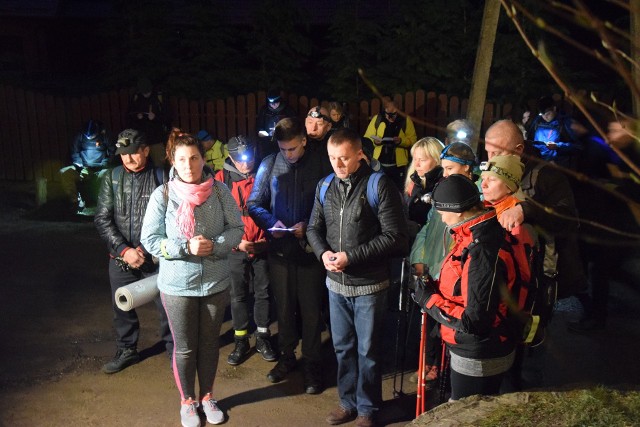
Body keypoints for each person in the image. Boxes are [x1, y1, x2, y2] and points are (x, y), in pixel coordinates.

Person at [141, 129, 244, 427]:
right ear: (174, 161)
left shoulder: (220, 191)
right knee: (184, 346)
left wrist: (217, 245)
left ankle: (207, 395)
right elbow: (149, 238)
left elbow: (236, 229)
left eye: (194, 158)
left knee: (210, 344)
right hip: (176, 286)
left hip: (215, 282)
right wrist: (185, 248)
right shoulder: (163, 195)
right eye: (183, 159)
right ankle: (188, 401)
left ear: (203, 159)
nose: (189, 166)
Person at [306, 128, 408, 427]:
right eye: (332, 158)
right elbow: (313, 227)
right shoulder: (325, 185)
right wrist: (322, 253)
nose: (338, 165)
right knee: (343, 347)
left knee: (368, 351)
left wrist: (352, 257)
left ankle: (368, 409)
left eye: (344, 158)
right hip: (335, 285)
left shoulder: (379, 186)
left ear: (360, 154)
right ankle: (347, 402)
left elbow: (395, 237)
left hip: (370, 286)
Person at [412, 174, 520, 401]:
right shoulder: (477, 232)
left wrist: (428, 300)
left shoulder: (481, 250)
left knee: (467, 412)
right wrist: (435, 288)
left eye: (442, 213)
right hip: (476, 348)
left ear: (458, 210)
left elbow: (475, 320)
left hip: (480, 353)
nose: (442, 220)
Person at [247, 117, 329, 394]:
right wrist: (272, 223)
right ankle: (286, 357)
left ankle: (312, 364)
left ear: (304, 140)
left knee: (310, 311)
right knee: (283, 309)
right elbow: (254, 203)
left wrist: (309, 225)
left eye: (292, 148)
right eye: (283, 149)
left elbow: (330, 204)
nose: (288, 154)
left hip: (310, 252)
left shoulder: (320, 164)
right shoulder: (269, 164)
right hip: (280, 251)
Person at [94, 128, 172, 375]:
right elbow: (102, 219)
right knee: (122, 307)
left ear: (146, 151)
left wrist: (146, 248)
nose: (127, 158)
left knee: (168, 307)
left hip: (155, 258)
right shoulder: (112, 177)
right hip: (121, 258)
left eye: (132, 153)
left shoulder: (162, 176)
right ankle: (127, 349)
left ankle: (175, 353)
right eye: (122, 154)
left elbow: (172, 218)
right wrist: (124, 249)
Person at [484, 119, 585, 300]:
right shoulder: (490, 170)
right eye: (488, 152)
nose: (490, 160)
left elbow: (569, 218)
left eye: (497, 153)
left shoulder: (548, 175)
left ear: (519, 150)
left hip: (537, 275)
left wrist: (526, 209)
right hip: (501, 269)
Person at [408, 140, 478, 386]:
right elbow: (428, 228)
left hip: (451, 272)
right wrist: (418, 262)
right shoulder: (443, 187)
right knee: (428, 322)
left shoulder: (473, 195)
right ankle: (428, 364)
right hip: (431, 266)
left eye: (450, 169)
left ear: (468, 169)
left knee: (445, 322)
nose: (445, 174)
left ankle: (441, 368)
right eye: (444, 168)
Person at [214, 135, 276, 366]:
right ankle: (241, 339)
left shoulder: (264, 175)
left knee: (263, 293)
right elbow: (216, 219)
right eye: (239, 159)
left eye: (248, 158)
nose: (245, 164)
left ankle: (263, 336)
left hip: (262, 247)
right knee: (237, 295)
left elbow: (274, 210)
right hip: (236, 248)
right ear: (230, 156)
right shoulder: (220, 181)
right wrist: (236, 243)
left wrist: (266, 241)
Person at [59, 119, 114, 213]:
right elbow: (75, 152)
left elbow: (112, 152)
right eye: (87, 136)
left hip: (100, 169)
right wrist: (80, 165)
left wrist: (105, 164)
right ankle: (75, 201)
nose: (89, 137)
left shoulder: (104, 136)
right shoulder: (80, 137)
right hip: (82, 168)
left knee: (106, 175)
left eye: (92, 135)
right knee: (64, 172)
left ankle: (103, 206)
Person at [363, 97, 417, 190]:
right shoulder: (378, 119)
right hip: (379, 163)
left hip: (398, 165)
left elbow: (413, 140)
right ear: (385, 110)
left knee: (397, 189)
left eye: (394, 114)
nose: (390, 117)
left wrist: (401, 141)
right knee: (378, 188)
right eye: (388, 114)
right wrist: (375, 142)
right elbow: (367, 137)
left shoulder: (405, 120)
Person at [526, 96, 581, 169]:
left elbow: (578, 147)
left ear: (554, 109)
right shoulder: (537, 121)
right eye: (542, 115)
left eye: (548, 114)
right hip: (539, 166)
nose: (545, 117)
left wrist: (558, 146)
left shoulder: (565, 122)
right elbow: (529, 141)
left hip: (559, 168)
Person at [404, 137, 444, 236]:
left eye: (422, 160)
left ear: (437, 160)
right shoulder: (413, 182)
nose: (416, 164)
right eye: (414, 159)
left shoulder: (444, 185)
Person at [127, 77, 169, 168]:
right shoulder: (136, 98)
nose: (146, 94)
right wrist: (137, 116)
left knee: (160, 164)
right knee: (141, 164)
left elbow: (168, 116)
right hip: (141, 137)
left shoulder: (159, 97)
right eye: (143, 92)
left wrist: (155, 117)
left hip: (156, 138)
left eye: (147, 92)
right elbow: (130, 115)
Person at [256, 87, 296, 160]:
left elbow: (294, 126)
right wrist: (263, 133)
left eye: (276, 103)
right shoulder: (264, 111)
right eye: (271, 103)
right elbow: (259, 126)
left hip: (284, 141)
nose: (273, 105)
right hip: (267, 142)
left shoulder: (288, 110)